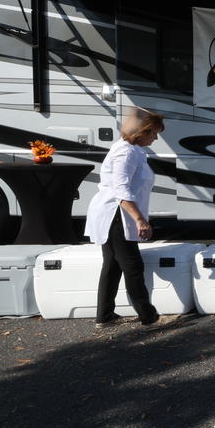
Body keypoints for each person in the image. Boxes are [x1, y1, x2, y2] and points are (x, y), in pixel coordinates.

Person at [85, 107, 165, 329]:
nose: (156, 138)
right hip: (115, 215)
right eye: (153, 133)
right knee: (132, 265)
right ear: (142, 132)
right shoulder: (126, 152)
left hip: (115, 213)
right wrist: (141, 220)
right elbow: (121, 189)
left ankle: (104, 315)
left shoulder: (131, 150)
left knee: (112, 265)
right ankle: (148, 315)